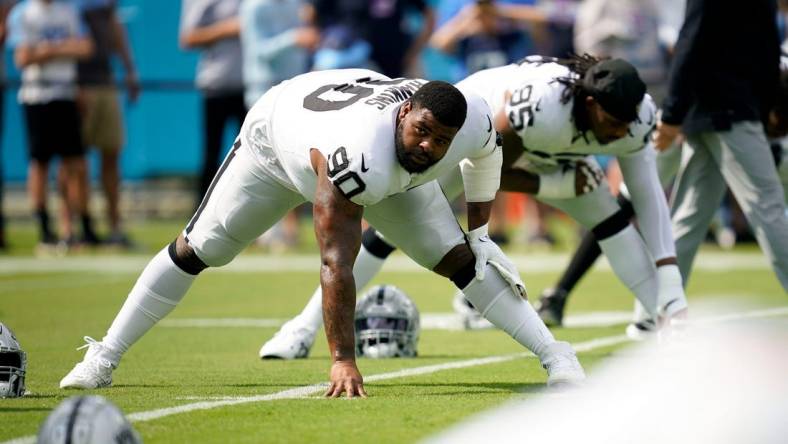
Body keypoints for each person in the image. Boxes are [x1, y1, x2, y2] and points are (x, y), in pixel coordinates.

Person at [59, 69, 585, 397]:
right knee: (198, 250)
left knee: (464, 262)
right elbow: (337, 262)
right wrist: (342, 360)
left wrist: (481, 231)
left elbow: (487, 155)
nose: (427, 145)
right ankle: (104, 355)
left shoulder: (467, 123)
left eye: (439, 141)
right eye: (420, 130)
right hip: (275, 148)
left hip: (370, 157)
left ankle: (557, 354)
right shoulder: (361, 154)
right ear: (405, 112)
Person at [259, 54, 688, 359]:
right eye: (612, 127)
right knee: (392, 228)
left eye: (626, 126)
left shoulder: (635, 118)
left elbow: (646, 191)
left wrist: (670, 276)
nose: (619, 135)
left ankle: (670, 321)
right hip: (468, 140)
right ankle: (303, 327)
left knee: (611, 220)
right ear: (591, 106)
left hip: (553, 155)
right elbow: (488, 165)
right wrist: (553, 183)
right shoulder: (540, 106)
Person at [652, 0, 788, 290]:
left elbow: (691, 41)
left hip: (715, 109)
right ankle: (656, 310)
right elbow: (692, 41)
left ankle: (654, 312)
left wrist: (676, 111)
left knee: (688, 217)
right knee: (769, 206)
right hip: (730, 110)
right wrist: (673, 113)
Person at [7, 0, 96, 250]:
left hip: (65, 94)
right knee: (40, 163)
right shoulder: (24, 13)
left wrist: (47, 50)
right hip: (37, 96)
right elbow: (23, 57)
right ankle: (45, 229)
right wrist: (63, 48)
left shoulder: (68, 10)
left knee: (75, 162)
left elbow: (85, 47)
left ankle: (81, 227)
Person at [73, 0, 139, 247]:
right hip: (77, 83)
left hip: (105, 80)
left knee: (111, 153)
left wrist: (129, 68)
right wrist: (73, 83)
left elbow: (114, 26)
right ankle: (76, 229)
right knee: (74, 161)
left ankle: (114, 228)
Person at [179, 0, 246, 208]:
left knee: (251, 157)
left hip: (252, 85)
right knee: (212, 154)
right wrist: (227, 29)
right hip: (217, 84)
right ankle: (202, 215)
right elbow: (187, 38)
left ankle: (248, 213)